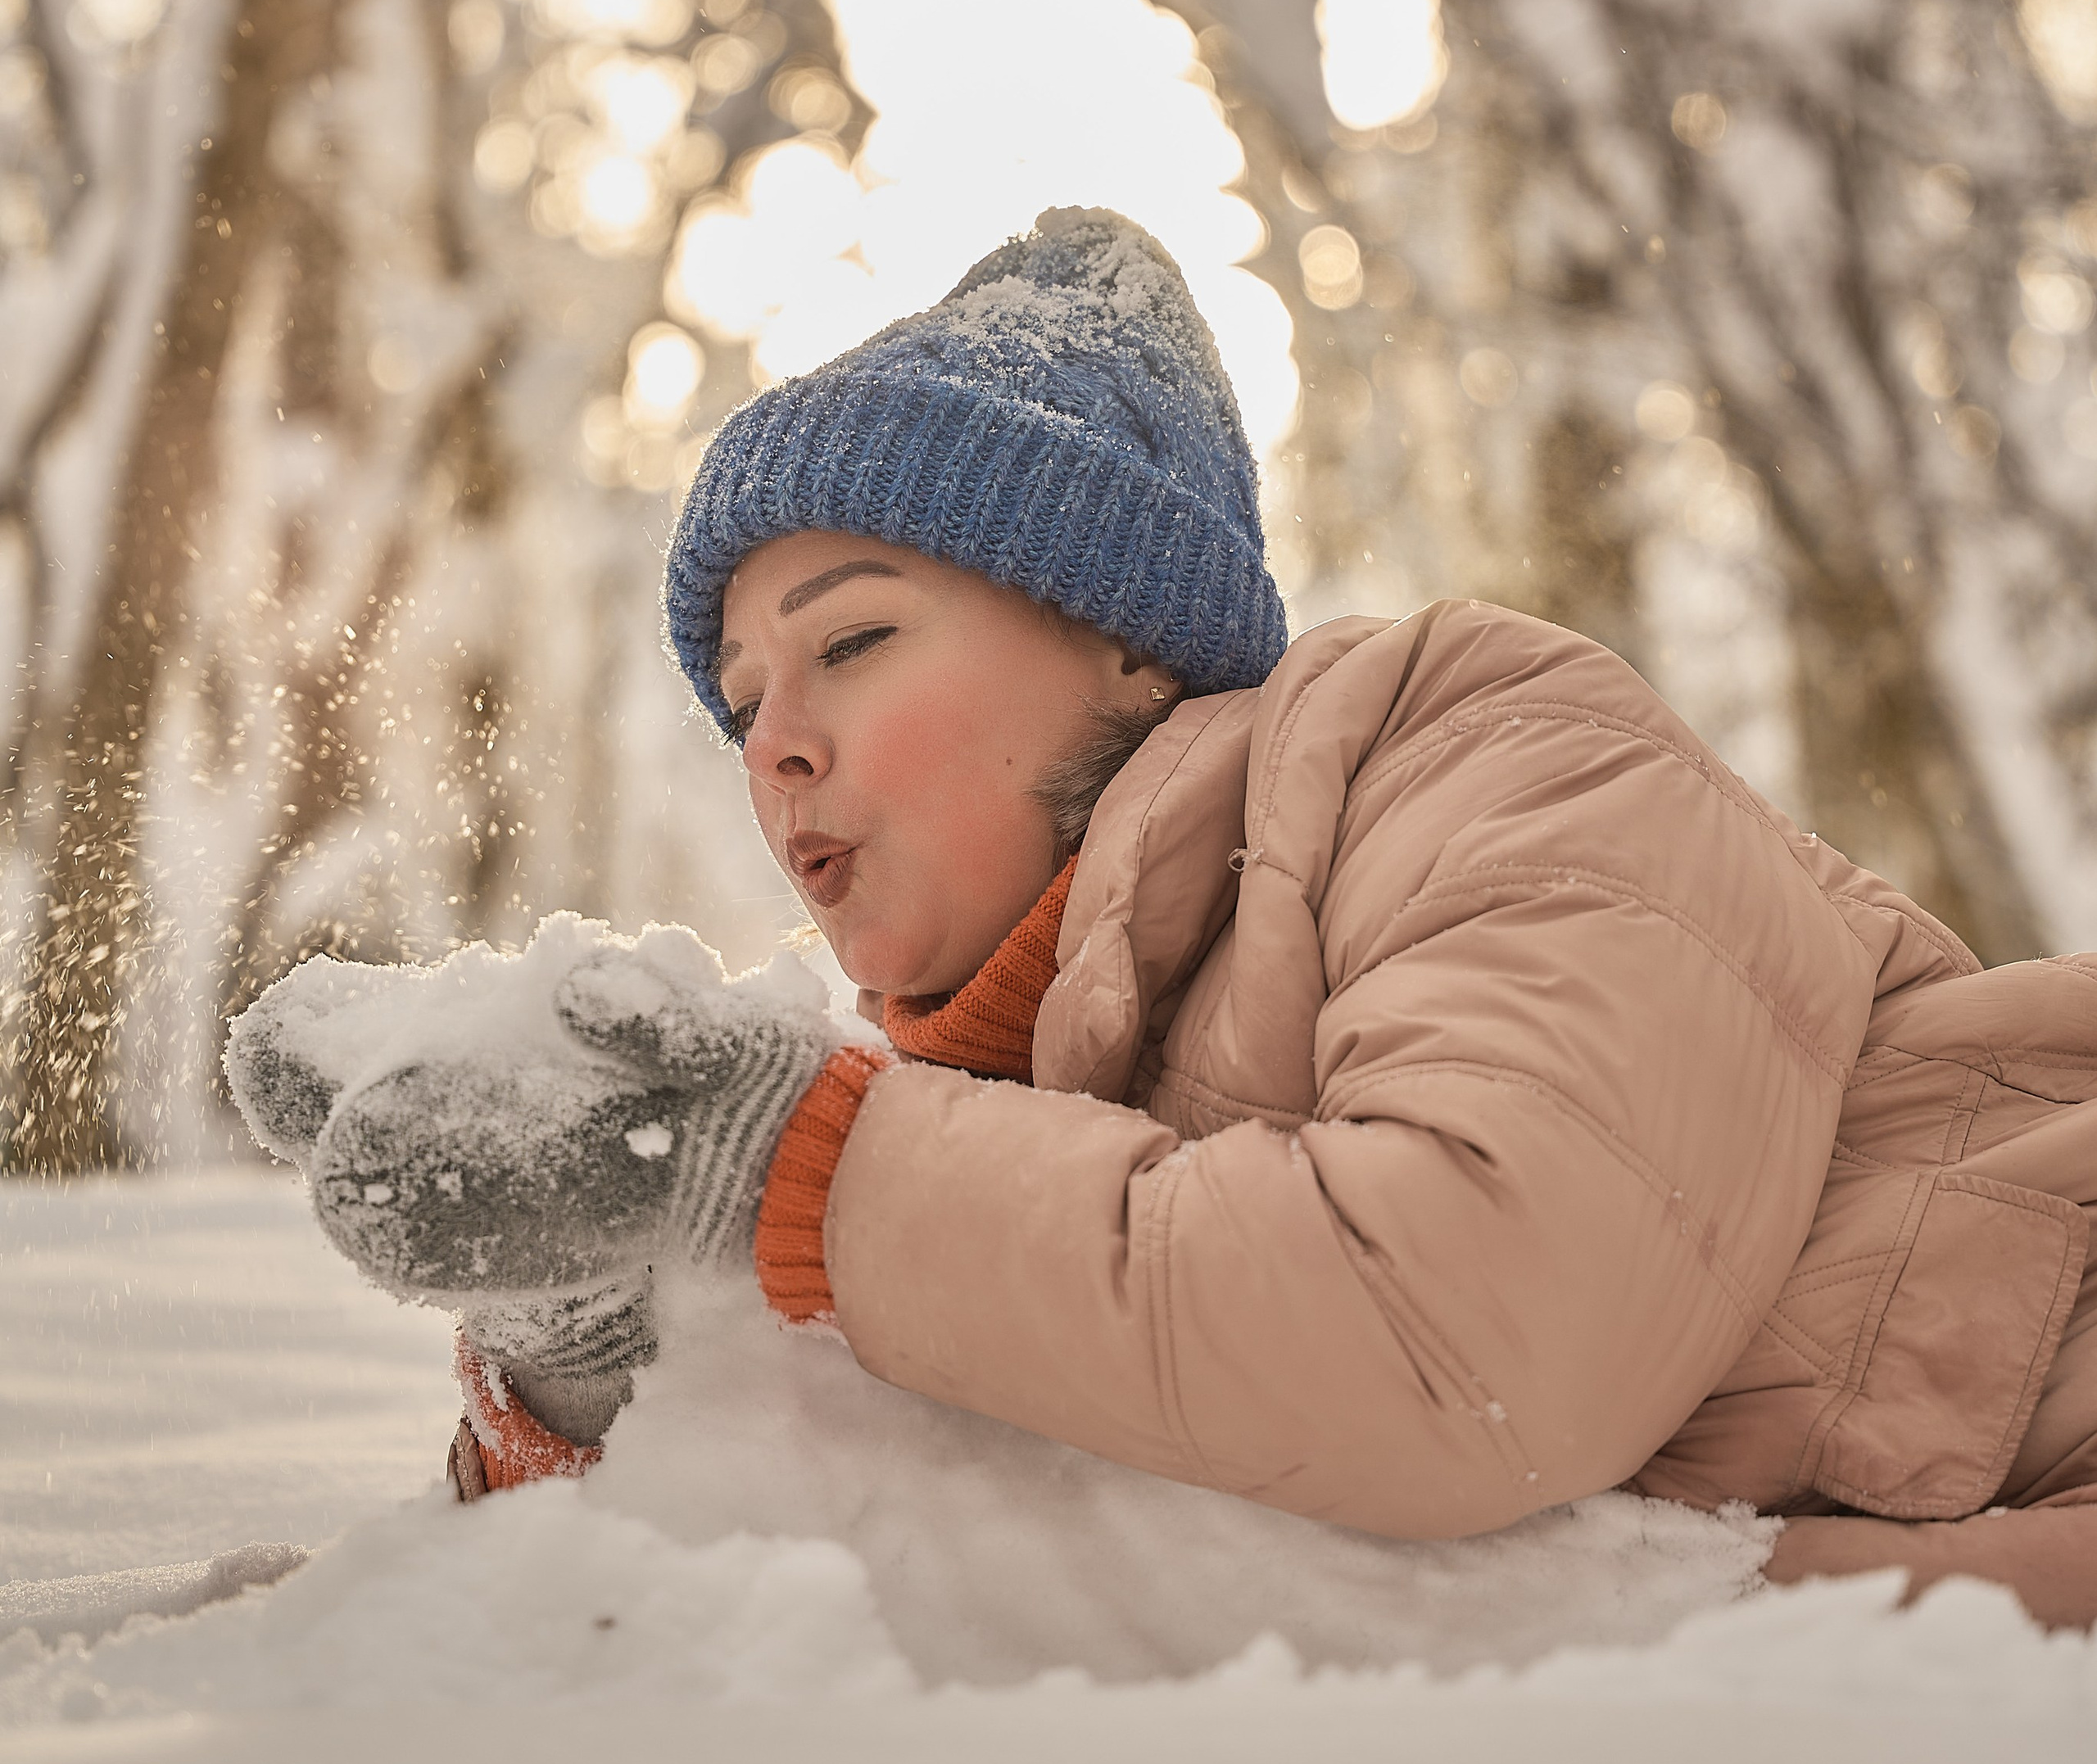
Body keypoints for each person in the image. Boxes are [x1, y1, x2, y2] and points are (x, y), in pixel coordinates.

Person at [229, 208, 2097, 1628]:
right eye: (739, 697)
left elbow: (1460, 1346)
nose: (773, 741)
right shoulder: (996, 1129)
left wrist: (777, 1163)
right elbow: (824, 1584)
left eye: (854, 641)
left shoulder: (1479, 764)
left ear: (1126, 643)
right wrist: (583, 1337)